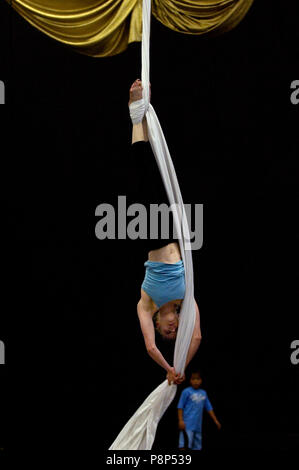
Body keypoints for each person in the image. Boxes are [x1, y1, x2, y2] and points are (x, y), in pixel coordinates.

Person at [127, 79, 202, 386]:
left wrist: (167, 367)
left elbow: (148, 346)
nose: (172, 331)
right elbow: (196, 335)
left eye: (166, 332)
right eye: (175, 333)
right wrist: (181, 364)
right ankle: (147, 116)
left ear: (157, 322)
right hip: (174, 232)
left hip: (149, 235)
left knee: (141, 170)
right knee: (161, 167)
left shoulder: (146, 303)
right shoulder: (188, 297)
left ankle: (136, 113)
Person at [177, 370, 221, 450]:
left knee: (197, 446)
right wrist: (180, 420)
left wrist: (215, 420)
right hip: (187, 424)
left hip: (198, 425)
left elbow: (209, 407)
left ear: (201, 380)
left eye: (198, 379)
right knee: (184, 444)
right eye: (193, 379)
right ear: (190, 380)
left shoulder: (203, 393)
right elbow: (180, 406)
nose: (195, 381)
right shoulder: (186, 391)